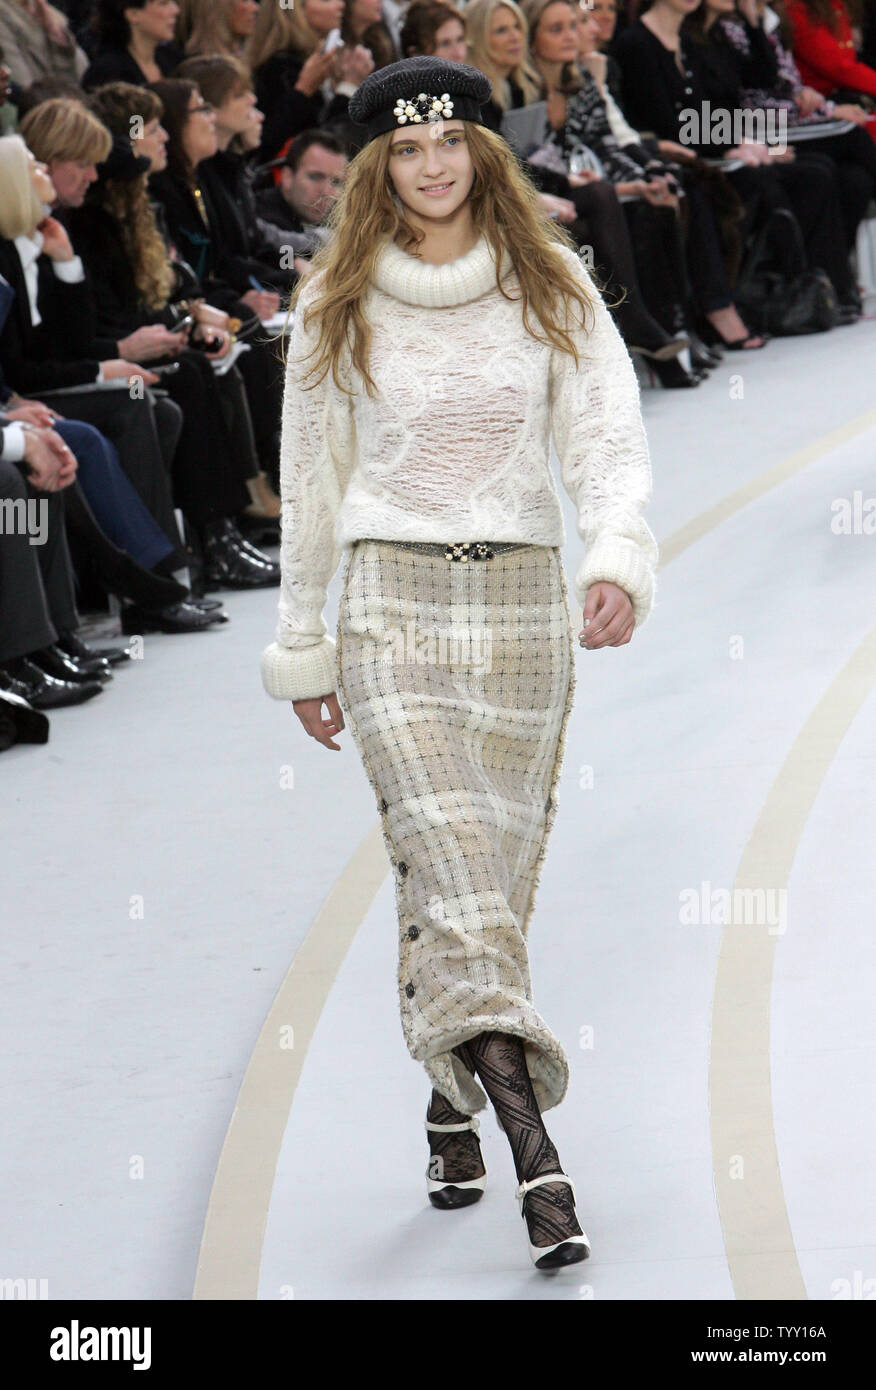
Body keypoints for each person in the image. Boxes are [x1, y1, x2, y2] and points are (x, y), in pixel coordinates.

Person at [260, 55, 659, 1271]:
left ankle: (450, 1101)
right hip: (393, 605)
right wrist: (305, 636)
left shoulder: (552, 281)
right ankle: (543, 1162)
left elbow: (605, 435)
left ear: (483, 151)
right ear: (379, 165)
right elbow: (314, 484)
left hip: (524, 606)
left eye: (450, 145)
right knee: (447, 852)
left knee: (483, 870)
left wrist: (617, 551)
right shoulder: (336, 294)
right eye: (406, 149)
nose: (431, 166)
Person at [82, 0, 183, 89]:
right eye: (163, 3)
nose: (176, 10)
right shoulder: (107, 74)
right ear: (133, 14)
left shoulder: (174, 60)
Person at [0, 0, 88, 89]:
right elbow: (24, 85)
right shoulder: (4, 20)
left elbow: (83, 72)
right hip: (45, 99)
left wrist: (56, 34)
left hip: (68, 96)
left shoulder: (45, 12)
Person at [174, 0, 259, 60]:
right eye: (245, 0)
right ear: (219, 9)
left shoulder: (247, 57)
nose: (256, 8)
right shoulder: (202, 66)